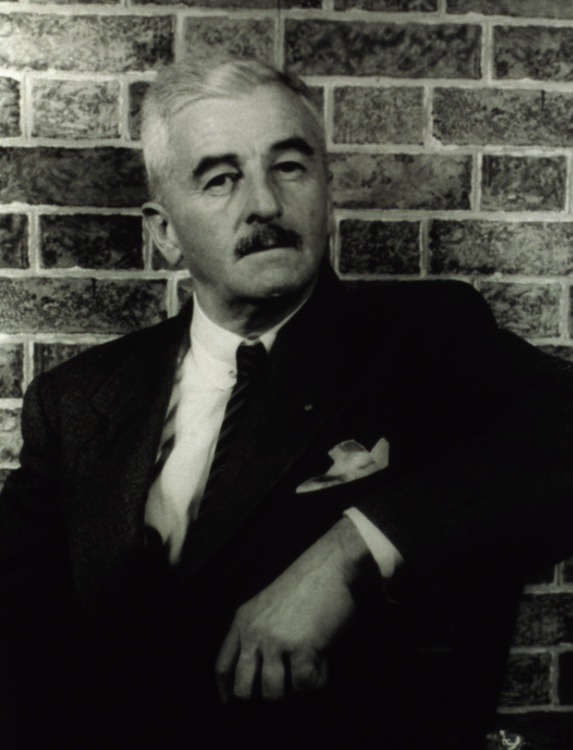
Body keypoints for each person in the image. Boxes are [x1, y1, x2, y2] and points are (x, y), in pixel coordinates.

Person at [1, 57, 573, 750]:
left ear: (327, 193)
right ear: (163, 230)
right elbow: (18, 636)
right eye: (220, 178)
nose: (265, 205)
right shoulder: (76, 399)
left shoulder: (422, 338)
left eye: (290, 167)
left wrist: (352, 548)